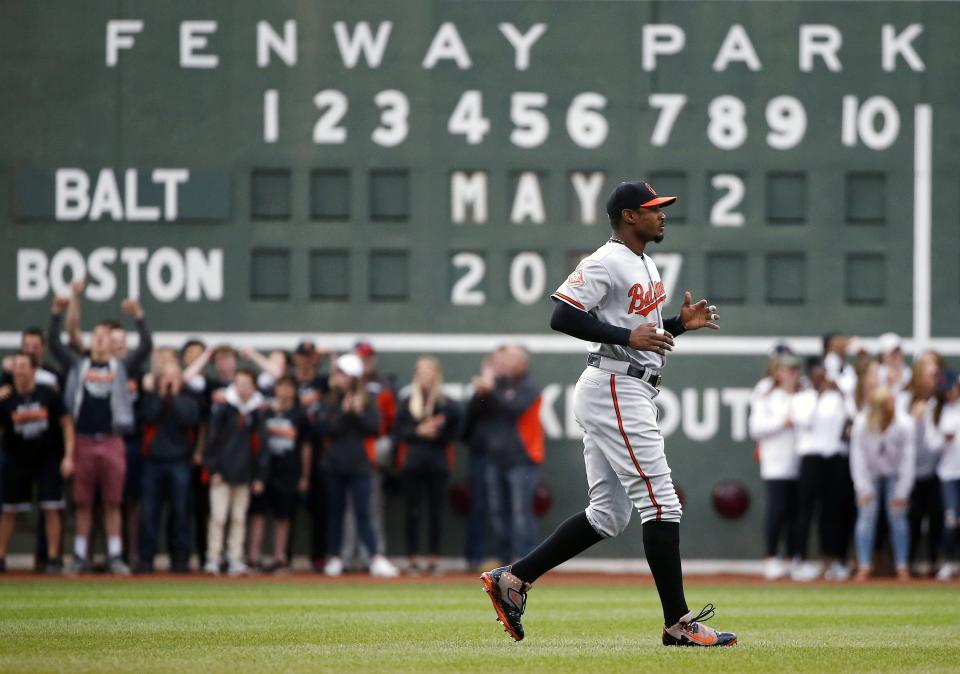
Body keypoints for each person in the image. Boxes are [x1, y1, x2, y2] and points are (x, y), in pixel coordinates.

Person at [481, 180, 736, 647]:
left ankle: (514, 579)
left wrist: (679, 325)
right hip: (616, 385)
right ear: (627, 216)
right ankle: (678, 623)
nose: (662, 215)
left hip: (624, 384)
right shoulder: (606, 259)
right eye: (652, 209)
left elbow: (643, 334)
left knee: (608, 515)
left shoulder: (644, 261)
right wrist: (623, 337)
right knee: (661, 502)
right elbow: (561, 314)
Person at [47, 295, 152, 574]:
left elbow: (146, 347)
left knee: (113, 502)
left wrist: (139, 316)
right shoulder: (79, 365)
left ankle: (115, 556)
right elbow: (55, 345)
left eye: (106, 336)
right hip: (82, 440)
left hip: (111, 441)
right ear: (91, 340)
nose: (102, 339)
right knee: (82, 503)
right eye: (97, 335)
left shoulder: (120, 367)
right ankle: (81, 556)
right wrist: (56, 314)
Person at [321, 353, 398, 578]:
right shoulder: (329, 400)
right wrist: (345, 413)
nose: (341, 378)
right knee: (335, 513)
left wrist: (357, 412)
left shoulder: (368, 400)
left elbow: (374, 427)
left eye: (344, 374)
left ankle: (375, 557)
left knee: (364, 512)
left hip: (360, 465)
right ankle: (335, 557)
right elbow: (326, 429)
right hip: (333, 464)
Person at [0, 353, 74, 574]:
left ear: (33, 369)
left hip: (47, 459)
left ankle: (53, 558)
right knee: (8, 510)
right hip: (15, 460)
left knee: (52, 507)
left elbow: (67, 424)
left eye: (23, 366)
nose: (19, 371)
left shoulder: (48, 395)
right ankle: (1, 556)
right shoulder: (6, 399)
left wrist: (68, 456)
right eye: (16, 366)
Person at [471, 345, 544, 564]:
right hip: (495, 458)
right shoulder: (498, 385)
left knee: (521, 513)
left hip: (523, 458)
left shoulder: (530, 385)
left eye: (509, 359)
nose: (503, 364)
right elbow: (476, 412)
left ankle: (525, 559)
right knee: (498, 512)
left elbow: (513, 408)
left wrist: (489, 387)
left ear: (522, 363)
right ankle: (504, 560)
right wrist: (482, 390)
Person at [394, 357, 460, 574]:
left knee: (435, 512)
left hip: (437, 463)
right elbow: (399, 431)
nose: (425, 376)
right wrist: (418, 431)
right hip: (413, 462)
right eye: (421, 371)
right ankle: (412, 557)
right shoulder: (407, 401)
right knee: (412, 510)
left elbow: (455, 431)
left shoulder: (446, 403)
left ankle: (433, 558)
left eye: (429, 371)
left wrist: (436, 431)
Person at [791, 356, 854, 582]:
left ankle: (833, 560)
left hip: (835, 459)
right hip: (811, 458)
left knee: (833, 511)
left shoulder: (838, 397)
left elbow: (852, 417)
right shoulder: (803, 397)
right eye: (818, 371)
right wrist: (817, 396)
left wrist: (841, 393)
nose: (822, 375)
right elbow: (804, 421)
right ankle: (800, 559)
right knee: (806, 511)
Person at [137, 360, 200, 573]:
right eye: (166, 376)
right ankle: (146, 558)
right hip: (153, 462)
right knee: (149, 512)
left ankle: (180, 559)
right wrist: (162, 396)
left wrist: (173, 398)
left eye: (174, 376)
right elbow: (149, 416)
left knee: (181, 512)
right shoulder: (151, 399)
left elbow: (188, 418)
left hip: (179, 461)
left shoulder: (188, 401)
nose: (170, 380)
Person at [203, 369, 265, 576]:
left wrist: (258, 476)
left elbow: (260, 446)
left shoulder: (256, 411)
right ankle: (213, 557)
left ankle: (235, 558)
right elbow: (212, 441)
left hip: (244, 474)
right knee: (219, 517)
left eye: (247, 383)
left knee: (239, 518)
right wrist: (214, 469)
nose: (243, 387)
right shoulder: (223, 408)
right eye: (239, 383)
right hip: (222, 473)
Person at [850, 387, 915, 581]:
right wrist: (863, 489)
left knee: (898, 516)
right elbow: (857, 458)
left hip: (894, 474)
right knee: (866, 515)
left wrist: (902, 493)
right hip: (870, 475)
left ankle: (902, 565)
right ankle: (864, 565)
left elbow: (907, 461)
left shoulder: (904, 424)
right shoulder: (862, 423)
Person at [248, 375, 312, 572]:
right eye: (280, 387)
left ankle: (279, 557)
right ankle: (253, 557)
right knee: (258, 514)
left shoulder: (300, 415)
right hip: (264, 470)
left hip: (288, 471)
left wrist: (304, 475)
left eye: (288, 387)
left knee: (282, 516)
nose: (284, 392)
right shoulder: (264, 412)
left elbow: (306, 447)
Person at [749, 354, 802, 581]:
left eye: (795, 370)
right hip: (775, 463)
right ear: (777, 372)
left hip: (800, 462)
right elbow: (756, 428)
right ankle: (771, 559)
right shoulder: (767, 395)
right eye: (787, 370)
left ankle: (793, 559)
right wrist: (783, 421)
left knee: (796, 513)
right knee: (777, 510)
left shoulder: (805, 395)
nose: (792, 374)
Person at [899, 358, 944, 577]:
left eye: (937, 375)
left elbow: (936, 442)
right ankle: (908, 563)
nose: (934, 380)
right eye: (930, 375)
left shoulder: (941, 401)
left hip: (936, 470)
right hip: (909, 472)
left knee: (937, 516)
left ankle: (934, 562)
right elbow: (899, 434)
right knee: (912, 519)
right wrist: (913, 419)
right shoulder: (905, 399)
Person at [462, 353, 497, 572]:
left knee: (507, 509)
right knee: (479, 507)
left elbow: (509, 413)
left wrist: (491, 393)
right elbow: (465, 429)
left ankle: (511, 558)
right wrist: (480, 395)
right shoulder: (476, 397)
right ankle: (473, 557)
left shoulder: (510, 390)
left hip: (508, 457)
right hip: (481, 456)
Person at [934, 369, 960, 580]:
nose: (947, 393)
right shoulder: (937, 410)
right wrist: (942, 440)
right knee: (951, 519)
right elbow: (929, 444)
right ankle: (948, 560)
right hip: (948, 473)